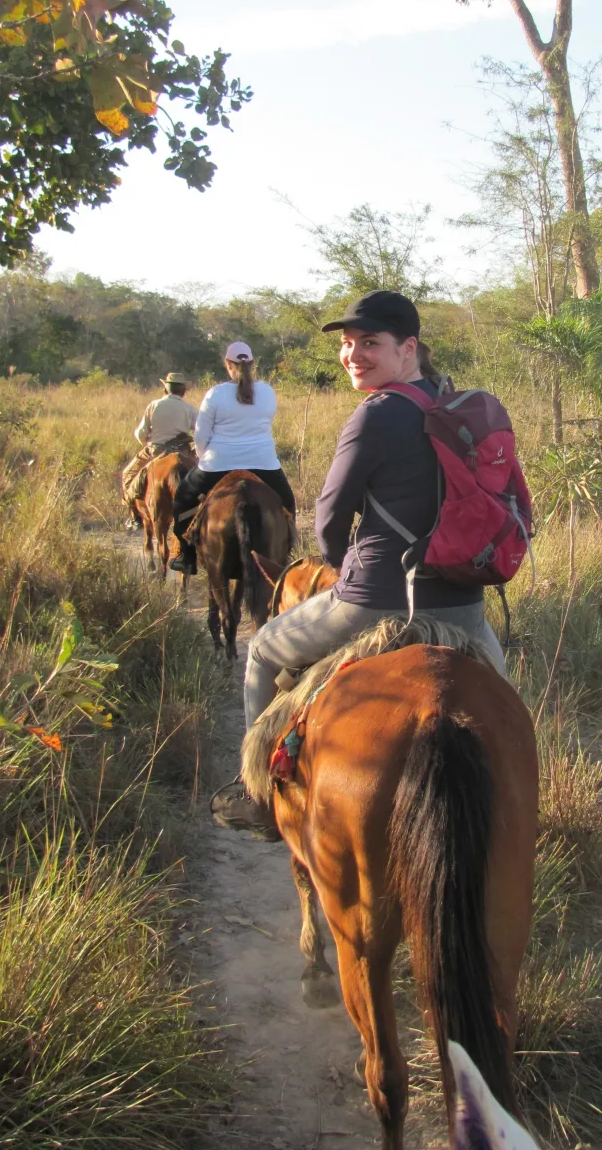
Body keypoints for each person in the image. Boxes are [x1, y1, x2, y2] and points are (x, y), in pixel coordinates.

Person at [211, 290, 506, 835]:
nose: (353, 355)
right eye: (348, 344)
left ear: (408, 348)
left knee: (263, 649)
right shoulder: (460, 406)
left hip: (376, 603)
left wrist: (345, 567)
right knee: (505, 704)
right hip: (463, 606)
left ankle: (254, 794)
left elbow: (329, 517)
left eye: (370, 342)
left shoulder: (377, 413)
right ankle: (513, 809)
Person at [170, 342, 295, 576]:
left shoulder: (215, 394)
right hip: (264, 464)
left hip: (218, 464)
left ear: (228, 365)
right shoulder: (267, 391)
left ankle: (185, 556)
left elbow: (201, 435)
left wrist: (203, 457)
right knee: (288, 503)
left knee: (182, 501)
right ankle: (286, 552)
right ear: (253, 364)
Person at [121, 372, 197, 520]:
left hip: (156, 451)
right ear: (183, 392)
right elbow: (202, 431)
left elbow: (141, 434)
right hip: (183, 452)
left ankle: (134, 514)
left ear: (165, 389)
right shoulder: (190, 409)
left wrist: (148, 441)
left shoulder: (154, 405)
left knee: (128, 475)